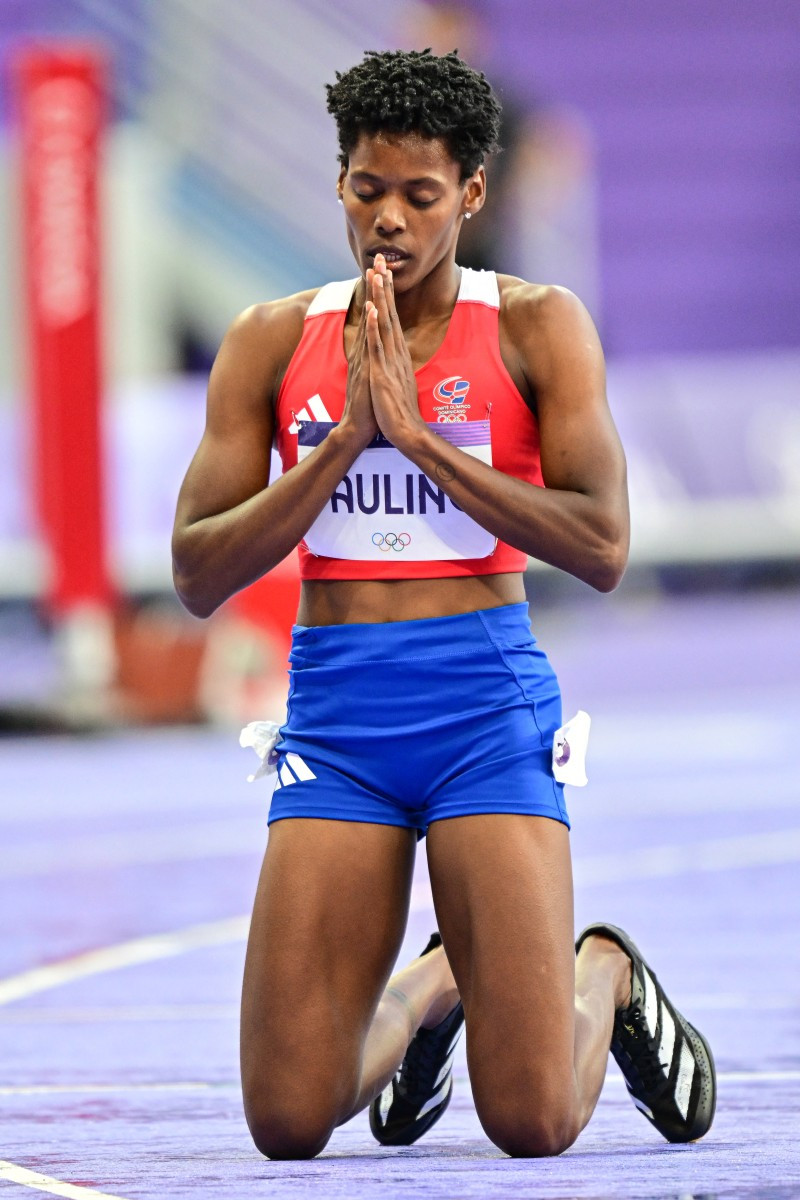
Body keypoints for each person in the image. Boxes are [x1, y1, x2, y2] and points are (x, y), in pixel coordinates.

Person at [172, 49, 716, 1160]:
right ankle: (434, 985)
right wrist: (341, 451)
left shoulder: (534, 325)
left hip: (482, 714)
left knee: (529, 1121)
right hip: (338, 721)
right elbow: (195, 571)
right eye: (367, 190)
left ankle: (598, 969)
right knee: (285, 1119)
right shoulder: (271, 341)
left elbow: (603, 547)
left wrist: (417, 439)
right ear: (338, 185)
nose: (389, 221)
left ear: (470, 194)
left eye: (420, 196)